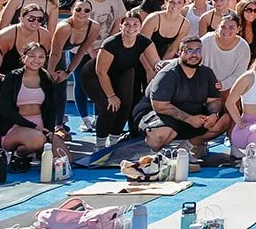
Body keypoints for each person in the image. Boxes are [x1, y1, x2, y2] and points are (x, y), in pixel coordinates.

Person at [138, 36, 228, 156]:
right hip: (158, 114)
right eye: (189, 51)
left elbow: (214, 100)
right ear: (180, 53)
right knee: (161, 134)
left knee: (225, 120)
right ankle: (153, 152)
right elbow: (160, 106)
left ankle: (186, 146)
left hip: (192, 116)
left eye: (198, 51)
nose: (194, 55)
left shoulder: (207, 73)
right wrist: (189, 119)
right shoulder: (168, 74)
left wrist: (213, 114)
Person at [95, 11, 157, 145]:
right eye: (127, 24)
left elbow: (157, 64)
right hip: (96, 76)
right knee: (110, 107)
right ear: (120, 26)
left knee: (126, 106)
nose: (131, 28)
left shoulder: (144, 41)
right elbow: (100, 72)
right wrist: (111, 95)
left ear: (141, 27)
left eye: (135, 24)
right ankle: (99, 144)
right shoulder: (111, 43)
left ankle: (113, 142)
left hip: (121, 73)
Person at [0, 41, 64, 160]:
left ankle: (34, 153)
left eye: (41, 57)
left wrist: (50, 130)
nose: (36, 60)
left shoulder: (46, 79)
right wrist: (33, 126)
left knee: (64, 158)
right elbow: (6, 109)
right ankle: (16, 155)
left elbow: (51, 109)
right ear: (23, 57)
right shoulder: (12, 77)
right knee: (38, 139)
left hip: (40, 127)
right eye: (32, 56)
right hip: (16, 126)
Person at [201, 12, 251, 93]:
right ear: (218, 28)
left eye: (231, 27)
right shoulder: (205, 41)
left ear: (238, 29)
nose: (226, 30)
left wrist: (223, 84)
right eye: (223, 27)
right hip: (204, 84)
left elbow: (239, 72)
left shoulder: (243, 47)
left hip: (230, 87)